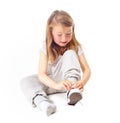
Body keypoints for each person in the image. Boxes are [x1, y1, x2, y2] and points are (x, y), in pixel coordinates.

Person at [20, 10, 91, 116]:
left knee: (70, 53)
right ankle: (43, 103)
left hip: (68, 83)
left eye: (68, 34)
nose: (64, 38)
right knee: (26, 81)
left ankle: (72, 92)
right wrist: (56, 85)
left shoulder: (75, 47)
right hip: (51, 83)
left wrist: (82, 82)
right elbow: (41, 74)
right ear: (51, 32)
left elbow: (87, 69)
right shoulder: (45, 47)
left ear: (73, 31)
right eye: (59, 35)